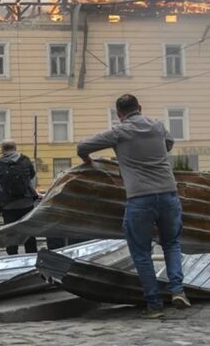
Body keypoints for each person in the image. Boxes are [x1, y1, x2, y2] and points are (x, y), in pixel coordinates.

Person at [77, 93, 190, 318]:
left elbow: (83, 146)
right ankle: (177, 290)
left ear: (119, 114)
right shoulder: (157, 126)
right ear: (140, 106)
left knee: (141, 253)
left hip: (139, 198)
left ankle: (155, 305)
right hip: (168, 194)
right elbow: (169, 143)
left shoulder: (119, 132)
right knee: (171, 244)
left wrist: (87, 160)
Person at [0, 140, 37, 255]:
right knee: (28, 231)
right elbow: (31, 175)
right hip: (26, 202)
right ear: (15, 148)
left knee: (10, 233)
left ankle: (12, 259)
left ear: (2, 149)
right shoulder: (25, 160)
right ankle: (31, 257)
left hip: (8, 205)